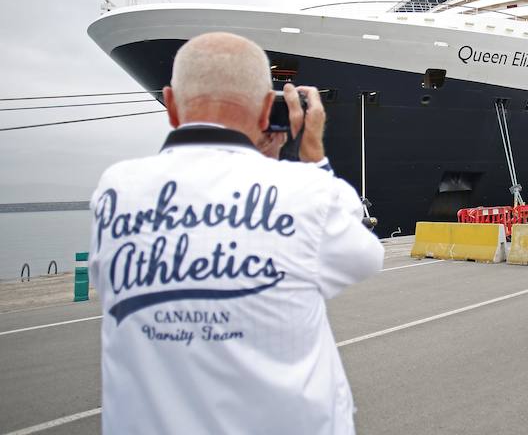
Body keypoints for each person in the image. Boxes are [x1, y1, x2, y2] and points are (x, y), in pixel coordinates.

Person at [89, 31, 384, 434]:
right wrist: (310, 161)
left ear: (170, 104)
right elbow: (366, 255)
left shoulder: (115, 189)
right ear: (268, 109)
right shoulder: (306, 191)